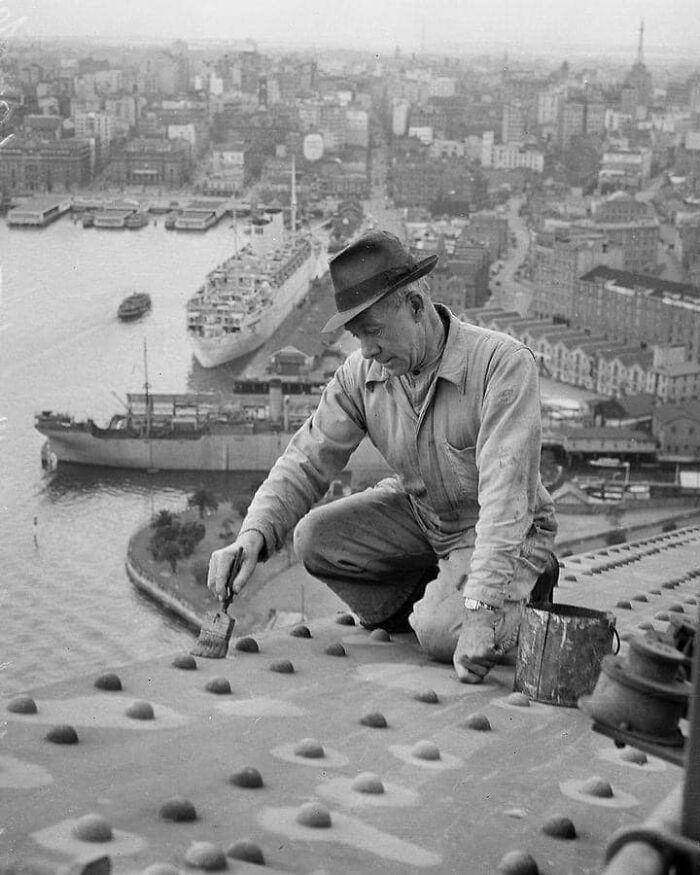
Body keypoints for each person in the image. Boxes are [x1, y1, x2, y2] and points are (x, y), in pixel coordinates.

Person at [208, 229, 558, 683]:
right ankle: (441, 595)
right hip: (425, 518)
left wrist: (481, 610)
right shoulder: (364, 373)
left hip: (504, 529)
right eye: (357, 336)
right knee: (314, 538)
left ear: (415, 306)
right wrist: (251, 535)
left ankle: (520, 591)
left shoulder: (501, 364)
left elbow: (507, 503)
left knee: (438, 633)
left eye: (372, 331)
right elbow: (307, 460)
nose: (366, 349)